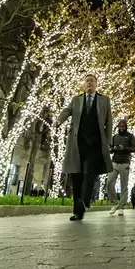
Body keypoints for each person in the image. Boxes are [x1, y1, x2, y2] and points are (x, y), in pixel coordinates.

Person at [55, 73, 113, 221]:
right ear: (84, 84)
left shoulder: (105, 100)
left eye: (92, 81)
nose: (89, 83)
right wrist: (58, 121)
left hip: (95, 144)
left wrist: (108, 142)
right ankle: (78, 211)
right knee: (76, 176)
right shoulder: (76, 100)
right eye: (87, 81)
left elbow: (109, 122)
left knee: (89, 173)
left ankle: (86, 198)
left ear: (96, 84)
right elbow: (66, 111)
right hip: (77, 143)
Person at [107, 118, 135, 216]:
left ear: (126, 127)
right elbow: (109, 149)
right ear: (118, 127)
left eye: (123, 127)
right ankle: (115, 203)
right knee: (109, 182)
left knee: (124, 185)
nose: (122, 128)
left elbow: (134, 148)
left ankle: (121, 206)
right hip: (114, 162)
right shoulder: (114, 137)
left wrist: (124, 148)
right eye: (120, 127)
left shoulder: (130, 136)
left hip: (125, 162)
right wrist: (113, 148)